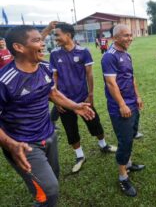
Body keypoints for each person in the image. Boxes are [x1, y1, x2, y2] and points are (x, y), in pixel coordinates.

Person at [0, 25, 94, 206]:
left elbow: (53, 93)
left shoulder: (44, 66)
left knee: (53, 177)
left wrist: (75, 106)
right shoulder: (5, 81)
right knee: (49, 191)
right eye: (36, 40)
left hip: (48, 135)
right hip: (23, 145)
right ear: (19, 47)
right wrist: (10, 144)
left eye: (42, 40)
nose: (43, 44)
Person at [42, 22, 117, 173]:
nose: (55, 38)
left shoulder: (84, 51)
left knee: (95, 123)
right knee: (71, 130)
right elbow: (54, 76)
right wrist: (57, 99)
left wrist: (90, 95)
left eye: (57, 35)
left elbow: (89, 74)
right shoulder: (55, 54)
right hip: (64, 101)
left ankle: (103, 145)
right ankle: (80, 156)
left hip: (83, 98)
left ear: (68, 35)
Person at [101, 24, 145, 197]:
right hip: (120, 107)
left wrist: (137, 96)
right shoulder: (109, 57)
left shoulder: (126, 55)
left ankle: (128, 163)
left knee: (131, 134)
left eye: (131, 35)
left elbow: (131, 77)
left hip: (132, 103)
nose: (130, 38)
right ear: (116, 38)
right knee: (125, 140)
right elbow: (111, 83)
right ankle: (122, 177)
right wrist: (122, 104)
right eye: (126, 35)